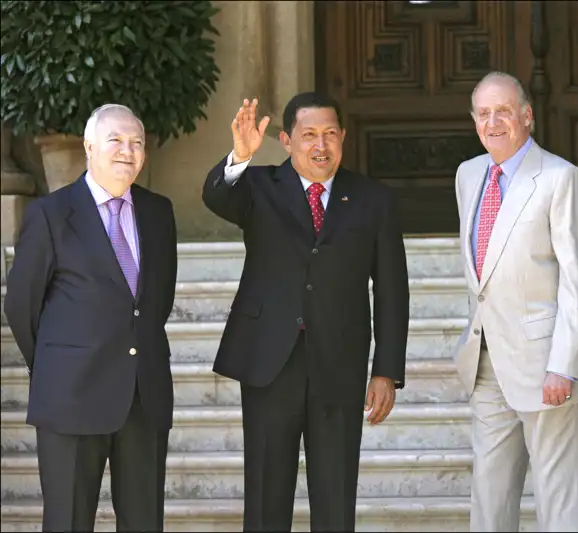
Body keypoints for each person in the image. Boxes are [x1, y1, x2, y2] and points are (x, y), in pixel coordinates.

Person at [202, 93, 409, 531]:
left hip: (339, 364)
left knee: (335, 500)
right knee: (266, 500)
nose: (321, 145)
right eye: (309, 135)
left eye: (330, 134)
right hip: (269, 362)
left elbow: (392, 291)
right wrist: (241, 153)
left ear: (343, 138)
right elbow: (216, 196)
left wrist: (386, 370)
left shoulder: (373, 200)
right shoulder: (257, 187)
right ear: (286, 140)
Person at [4, 104, 177, 532]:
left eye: (136, 143)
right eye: (115, 141)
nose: (127, 151)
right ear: (88, 147)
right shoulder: (50, 214)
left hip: (143, 396)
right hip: (71, 396)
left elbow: (156, 302)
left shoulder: (159, 212)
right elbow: (21, 305)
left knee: (143, 523)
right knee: (68, 522)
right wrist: (55, 365)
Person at [453, 71, 578, 532]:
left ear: (526, 116)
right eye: (483, 113)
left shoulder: (561, 178)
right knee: (490, 496)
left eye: (503, 111)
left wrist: (564, 364)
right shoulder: (468, 174)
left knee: (561, 498)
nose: (493, 121)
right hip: (487, 362)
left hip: (548, 366)